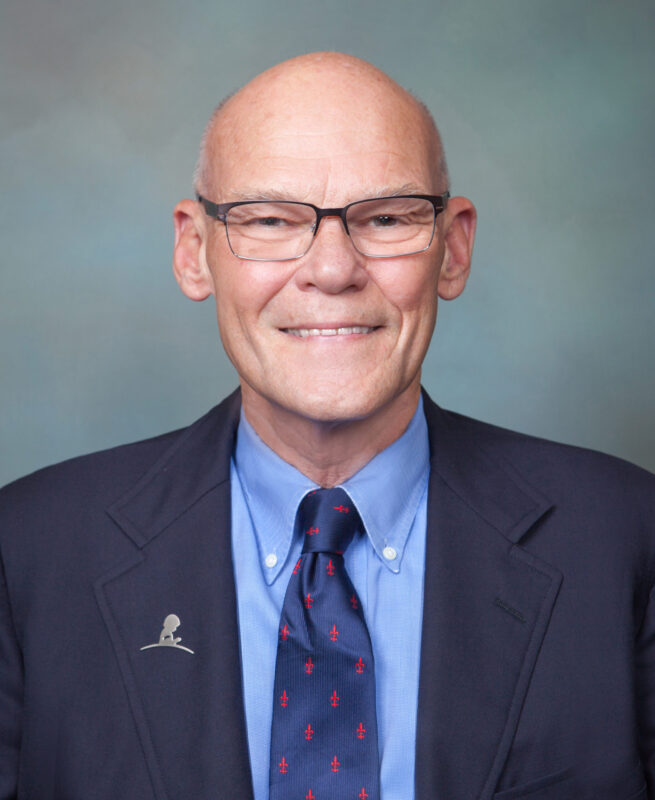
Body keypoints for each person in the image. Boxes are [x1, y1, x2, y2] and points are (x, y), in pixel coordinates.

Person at [0, 51, 653, 800]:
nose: (333, 269)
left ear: (454, 248)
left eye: (385, 218)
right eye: (271, 219)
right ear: (194, 252)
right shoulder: (28, 553)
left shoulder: (625, 538)